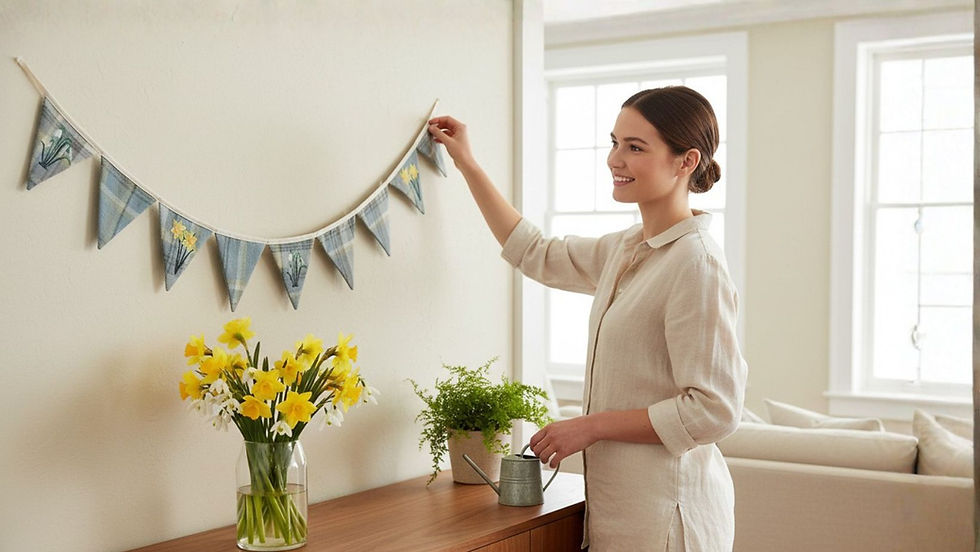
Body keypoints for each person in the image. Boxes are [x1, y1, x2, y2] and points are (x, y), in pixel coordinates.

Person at [428, 86, 748, 551]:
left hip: (669, 517)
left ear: (686, 162)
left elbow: (714, 410)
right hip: (618, 508)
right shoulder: (627, 247)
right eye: (615, 142)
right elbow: (535, 252)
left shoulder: (696, 265)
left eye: (635, 147)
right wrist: (468, 165)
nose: (615, 159)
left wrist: (590, 425)